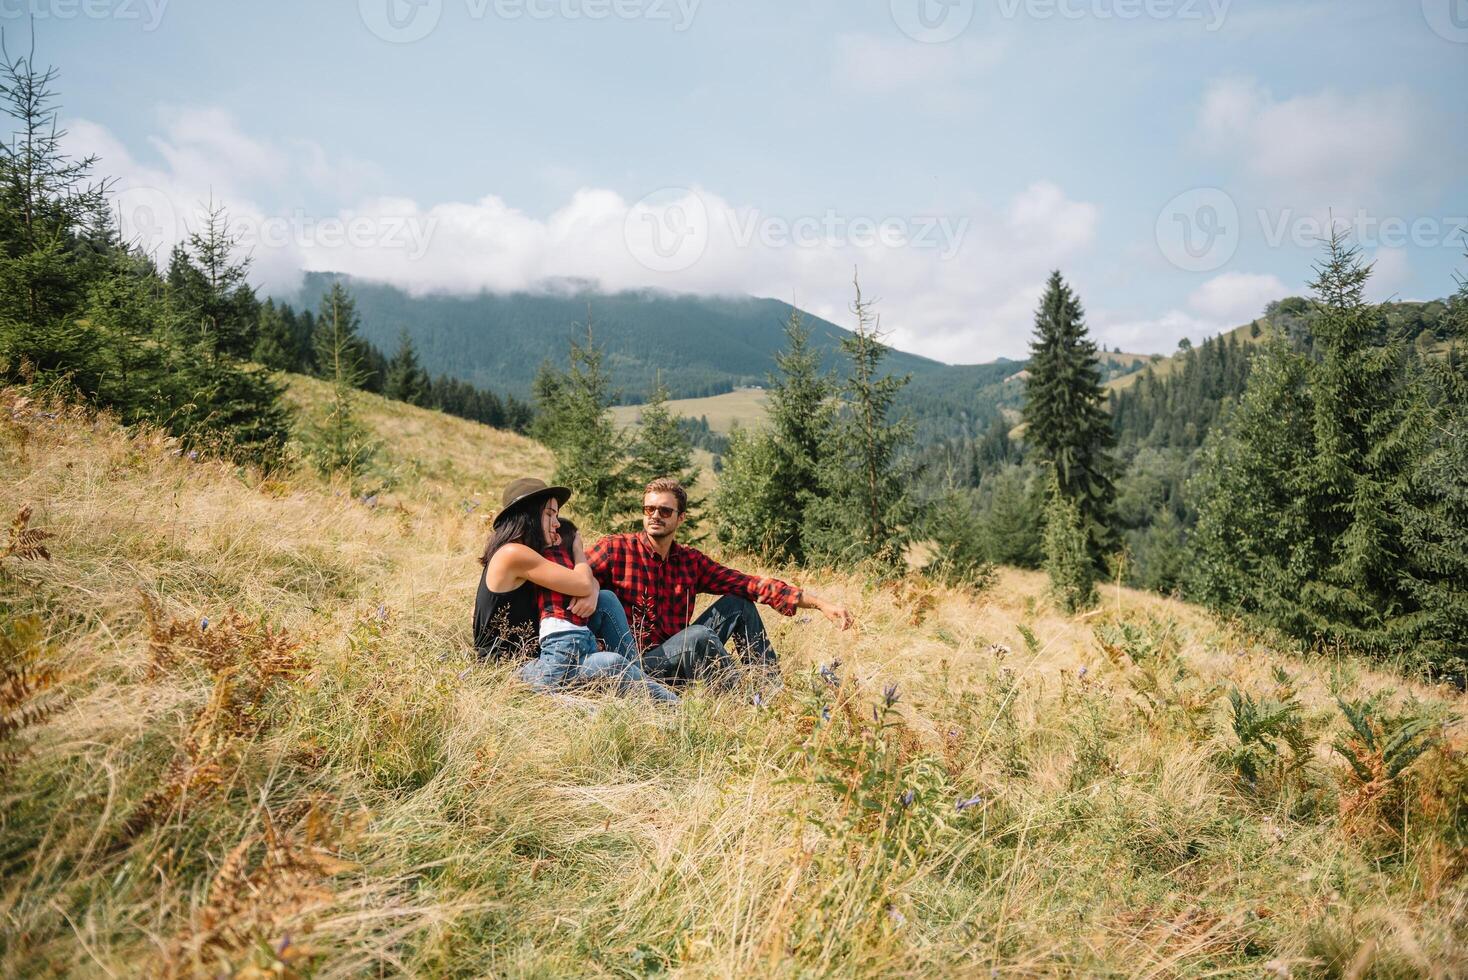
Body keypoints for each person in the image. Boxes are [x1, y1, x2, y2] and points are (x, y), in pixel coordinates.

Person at [587, 477, 853, 684]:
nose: (655, 515)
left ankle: (769, 692)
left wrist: (819, 604)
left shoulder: (689, 561)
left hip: (678, 656)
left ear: (681, 518)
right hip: (636, 665)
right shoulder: (616, 549)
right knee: (700, 635)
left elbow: (749, 584)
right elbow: (571, 577)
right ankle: (741, 702)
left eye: (665, 511)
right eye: (649, 509)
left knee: (739, 603)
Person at [474, 478, 671, 700]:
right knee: (611, 664)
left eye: (556, 515)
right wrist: (578, 550)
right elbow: (583, 582)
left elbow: (588, 583)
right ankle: (669, 705)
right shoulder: (513, 554)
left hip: (548, 653)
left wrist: (593, 593)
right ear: (527, 515)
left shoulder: (534, 554)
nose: (557, 523)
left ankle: (640, 679)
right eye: (549, 514)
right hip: (510, 670)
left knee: (605, 598)